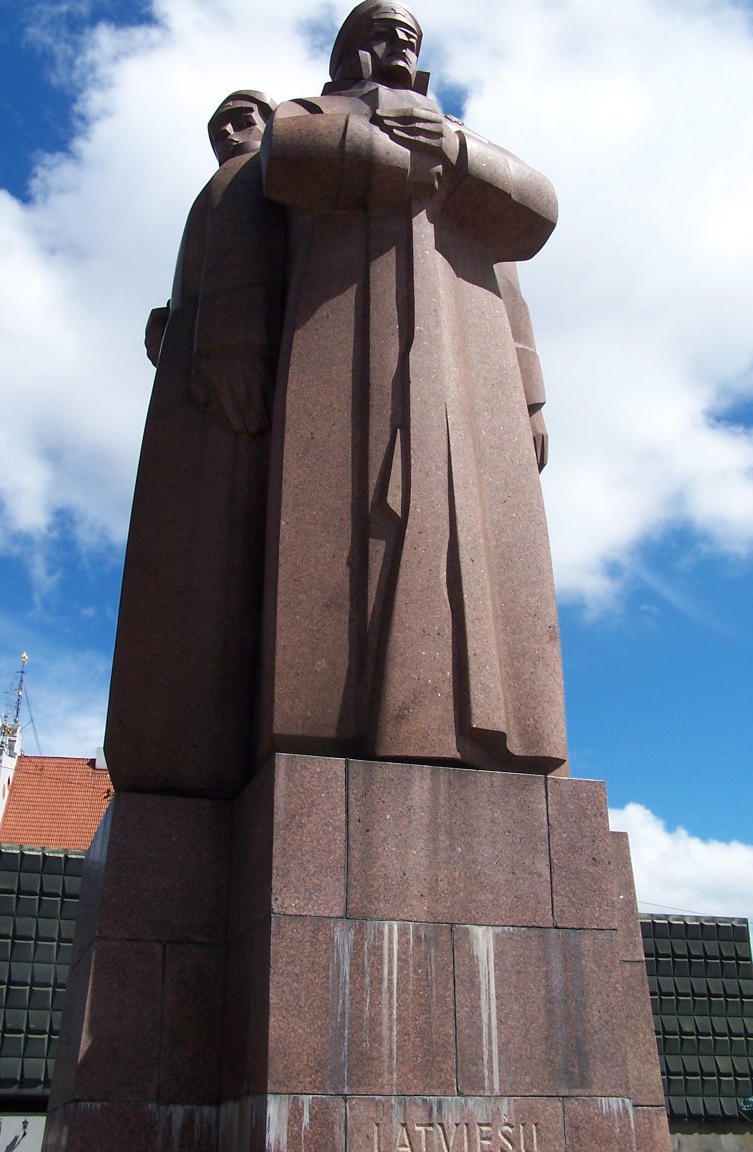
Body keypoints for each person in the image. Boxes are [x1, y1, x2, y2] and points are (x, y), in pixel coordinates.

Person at [257, 1, 568, 774]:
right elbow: (284, 153)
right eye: (383, 30)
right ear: (351, 52)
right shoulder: (316, 113)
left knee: (471, 534)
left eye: (410, 35)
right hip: (347, 339)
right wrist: (392, 159)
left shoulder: (457, 141)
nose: (399, 42)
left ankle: (485, 729)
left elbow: (529, 232)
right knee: (363, 522)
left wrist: (529, 396)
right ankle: (350, 720)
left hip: (469, 365)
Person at [104, 91, 285, 794]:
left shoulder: (250, 177)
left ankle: (194, 734)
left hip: (224, 382)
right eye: (219, 126)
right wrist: (173, 318)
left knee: (215, 543)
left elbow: (252, 261)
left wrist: (230, 338)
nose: (230, 132)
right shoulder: (228, 182)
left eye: (245, 117)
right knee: (186, 545)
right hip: (195, 375)